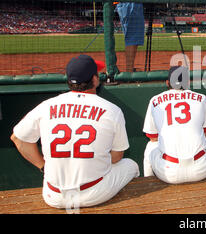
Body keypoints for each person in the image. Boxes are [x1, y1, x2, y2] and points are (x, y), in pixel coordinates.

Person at [10, 54, 139, 209]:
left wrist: (43, 166)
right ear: (95, 79)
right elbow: (117, 156)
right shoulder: (112, 110)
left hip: (54, 196)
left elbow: (18, 138)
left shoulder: (46, 106)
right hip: (94, 193)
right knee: (131, 165)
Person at [142, 66, 206, 184]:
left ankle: (148, 182)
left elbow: (152, 137)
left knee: (150, 146)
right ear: (187, 82)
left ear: (167, 83)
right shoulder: (201, 98)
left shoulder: (155, 101)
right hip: (201, 170)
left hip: (168, 173)